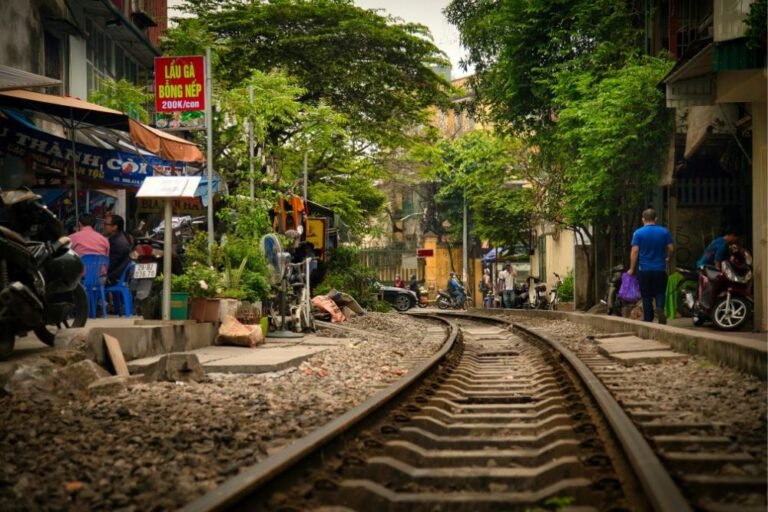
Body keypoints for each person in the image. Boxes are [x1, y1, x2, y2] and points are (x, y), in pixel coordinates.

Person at [628, 208, 674, 324]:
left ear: (643, 219)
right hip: (660, 269)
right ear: (656, 219)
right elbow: (671, 248)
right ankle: (659, 308)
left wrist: (632, 268)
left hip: (644, 270)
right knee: (660, 292)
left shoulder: (638, 233)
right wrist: (668, 258)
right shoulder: (664, 232)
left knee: (646, 294)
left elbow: (634, 251)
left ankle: (648, 319)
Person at [103, 214, 132, 285]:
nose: (104, 227)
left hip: (114, 278)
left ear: (114, 227)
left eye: (106, 224)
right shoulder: (120, 237)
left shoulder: (117, 243)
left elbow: (110, 265)